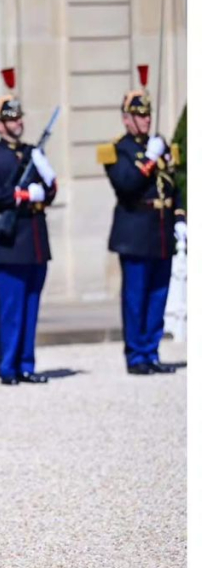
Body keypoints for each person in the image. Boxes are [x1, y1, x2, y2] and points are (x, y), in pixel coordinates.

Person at [99, 65, 185, 374]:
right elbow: (126, 185)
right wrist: (149, 159)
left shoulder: (160, 145)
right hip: (134, 230)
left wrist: (179, 215)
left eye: (148, 114)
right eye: (140, 115)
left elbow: (175, 183)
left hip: (160, 230)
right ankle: (135, 355)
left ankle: (151, 351)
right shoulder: (115, 150)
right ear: (126, 118)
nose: (146, 120)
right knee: (135, 297)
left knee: (158, 295)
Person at [0, 69, 57, 386]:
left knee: (31, 308)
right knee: (10, 310)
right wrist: (24, 193)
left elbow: (50, 191)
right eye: (11, 119)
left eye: (19, 117)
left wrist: (46, 182)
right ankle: (8, 367)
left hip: (34, 241)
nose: (17, 122)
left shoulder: (32, 153)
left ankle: (26, 363)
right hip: (8, 244)